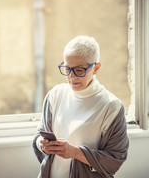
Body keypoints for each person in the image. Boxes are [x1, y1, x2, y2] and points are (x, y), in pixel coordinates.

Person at [32, 35, 129, 178]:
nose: (71, 77)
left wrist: (75, 152)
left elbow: (114, 160)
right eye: (67, 68)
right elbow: (38, 137)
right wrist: (42, 144)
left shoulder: (111, 107)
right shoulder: (55, 95)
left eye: (79, 70)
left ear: (96, 68)